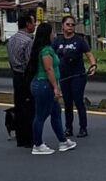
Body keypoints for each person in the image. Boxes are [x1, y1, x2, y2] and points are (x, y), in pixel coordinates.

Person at [28, 23, 77, 155]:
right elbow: (49, 69)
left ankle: (63, 141)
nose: (54, 35)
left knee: (56, 113)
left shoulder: (43, 48)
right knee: (40, 116)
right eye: (52, 33)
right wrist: (56, 87)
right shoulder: (46, 50)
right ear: (47, 34)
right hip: (44, 85)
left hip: (43, 85)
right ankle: (37, 144)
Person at [53, 15, 97, 138]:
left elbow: (89, 54)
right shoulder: (57, 41)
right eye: (68, 24)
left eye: (73, 25)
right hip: (63, 76)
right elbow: (50, 55)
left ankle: (83, 128)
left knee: (78, 100)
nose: (70, 27)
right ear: (62, 26)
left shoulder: (79, 40)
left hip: (77, 75)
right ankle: (68, 128)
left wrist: (93, 65)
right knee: (67, 103)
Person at [7, 12, 36, 148]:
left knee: (18, 106)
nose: (34, 25)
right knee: (28, 108)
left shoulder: (11, 39)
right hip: (25, 76)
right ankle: (29, 139)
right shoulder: (28, 41)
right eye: (33, 22)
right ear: (28, 24)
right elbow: (29, 62)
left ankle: (20, 138)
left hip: (16, 75)